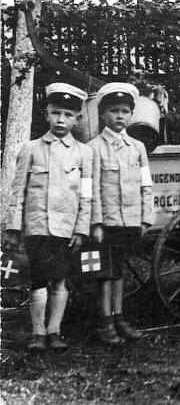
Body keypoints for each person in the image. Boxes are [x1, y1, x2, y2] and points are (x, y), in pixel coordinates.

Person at [6, 82, 92, 351]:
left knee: (60, 279)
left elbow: (87, 195)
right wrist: (13, 226)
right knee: (39, 279)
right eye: (56, 113)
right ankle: (38, 333)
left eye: (68, 115)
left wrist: (81, 228)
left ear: (77, 118)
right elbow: (17, 191)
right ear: (46, 114)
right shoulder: (30, 149)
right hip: (37, 225)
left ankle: (54, 331)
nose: (61, 120)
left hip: (66, 228)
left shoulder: (84, 153)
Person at [89, 82, 154, 345]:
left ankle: (119, 317)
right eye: (114, 111)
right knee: (104, 273)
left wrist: (146, 216)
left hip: (128, 220)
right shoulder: (93, 148)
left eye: (125, 111)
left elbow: (146, 184)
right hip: (106, 223)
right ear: (103, 114)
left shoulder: (137, 148)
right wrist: (95, 222)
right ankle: (104, 322)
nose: (119, 116)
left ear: (131, 115)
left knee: (120, 272)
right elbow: (90, 189)